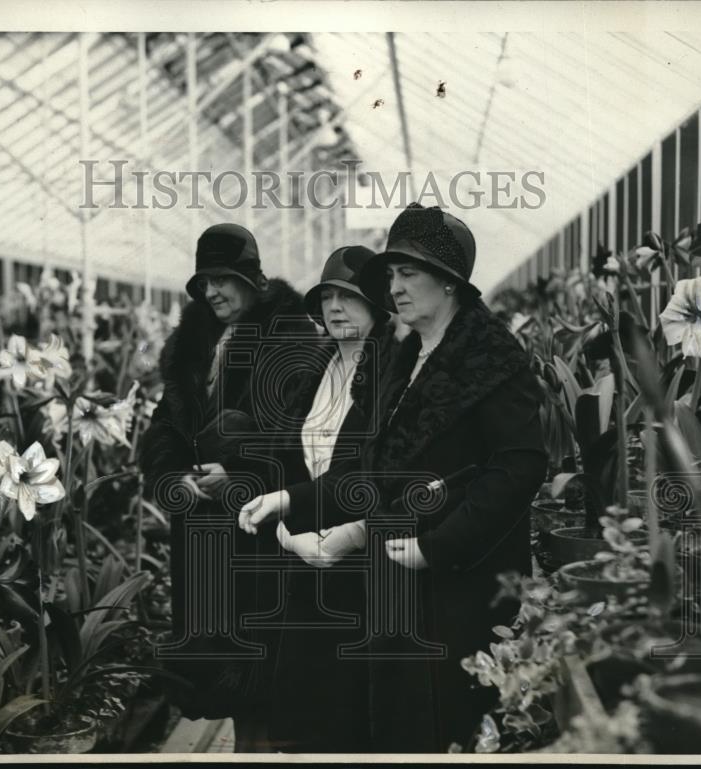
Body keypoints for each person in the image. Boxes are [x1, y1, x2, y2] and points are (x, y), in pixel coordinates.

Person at [240, 203, 548, 752]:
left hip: (462, 584)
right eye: (391, 274)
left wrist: (439, 546)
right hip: (401, 576)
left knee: (447, 719)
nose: (396, 287)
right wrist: (290, 499)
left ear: (450, 283)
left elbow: (518, 466)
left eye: (410, 273)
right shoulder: (408, 356)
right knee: (403, 722)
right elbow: (373, 470)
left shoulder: (491, 355)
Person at [140, 222, 315, 752]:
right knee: (224, 665)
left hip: (263, 528)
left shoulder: (294, 338)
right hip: (206, 532)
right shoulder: (191, 346)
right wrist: (172, 474)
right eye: (204, 282)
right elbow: (165, 424)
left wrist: (241, 479)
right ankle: (246, 746)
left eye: (223, 278)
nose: (212, 291)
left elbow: (308, 440)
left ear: (252, 279)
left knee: (265, 661)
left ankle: (262, 747)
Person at [237, 245, 393, 752]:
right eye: (327, 295)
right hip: (303, 560)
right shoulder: (317, 368)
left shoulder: (394, 375)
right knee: (308, 710)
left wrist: (332, 528)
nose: (334, 305)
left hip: (365, 567)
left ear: (378, 304)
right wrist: (288, 523)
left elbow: (380, 473)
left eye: (349, 295)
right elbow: (289, 457)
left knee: (354, 715)